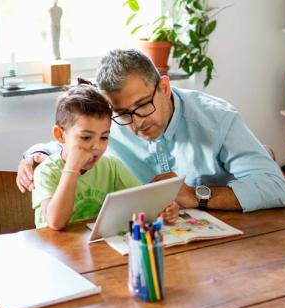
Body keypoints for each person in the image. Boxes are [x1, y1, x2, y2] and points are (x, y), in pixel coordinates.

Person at [19, 49, 285, 212]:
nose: (136, 122)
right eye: (123, 113)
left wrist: (196, 196)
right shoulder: (113, 120)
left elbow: (276, 188)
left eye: (143, 105)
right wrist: (35, 153)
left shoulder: (217, 119)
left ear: (164, 87)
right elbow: (74, 141)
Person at [33, 78, 178, 230]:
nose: (97, 146)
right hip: (53, 250)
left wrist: (164, 210)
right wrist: (71, 169)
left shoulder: (111, 167)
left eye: (104, 137)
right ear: (60, 135)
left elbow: (143, 203)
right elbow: (56, 223)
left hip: (95, 249)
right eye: (86, 137)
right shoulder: (46, 172)